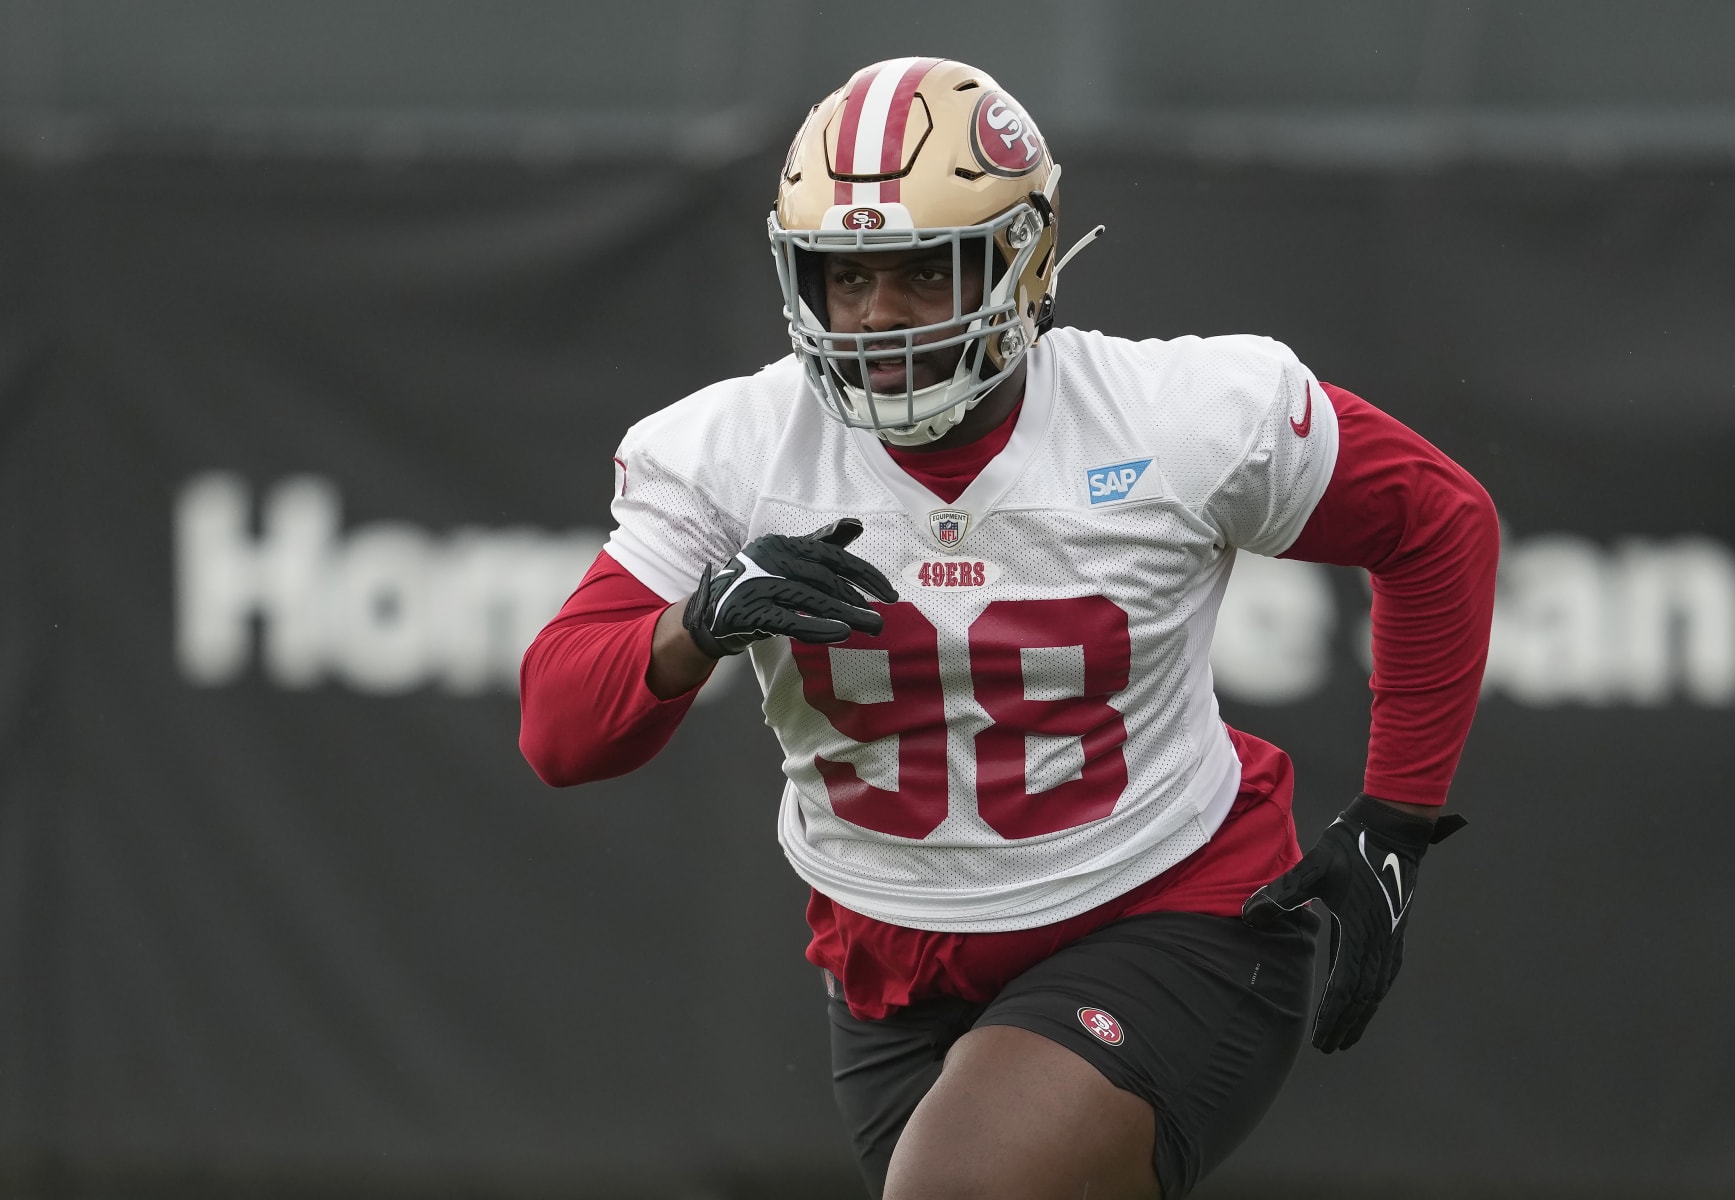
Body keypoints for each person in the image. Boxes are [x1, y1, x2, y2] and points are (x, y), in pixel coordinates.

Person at [519, 57, 1497, 1200]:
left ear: (1019, 261)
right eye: (845, 278)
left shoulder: (1175, 420)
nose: (876, 315)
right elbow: (558, 733)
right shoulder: (733, 452)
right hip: (895, 967)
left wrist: (1398, 816)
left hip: (1164, 909)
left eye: (923, 272)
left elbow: (1439, 523)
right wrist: (691, 628)